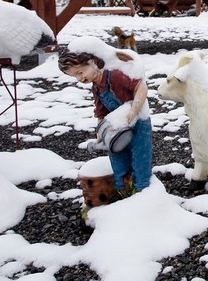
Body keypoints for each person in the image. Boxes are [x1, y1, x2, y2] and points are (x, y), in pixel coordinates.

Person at [59, 47, 153, 194]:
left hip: (138, 123)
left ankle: (142, 192)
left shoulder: (114, 75)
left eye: (80, 72)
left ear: (93, 62)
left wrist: (133, 111)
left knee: (140, 159)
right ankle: (123, 191)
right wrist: (101, 132)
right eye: (75, 76)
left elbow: (141, 87)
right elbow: (101, 113)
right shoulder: (97, 88)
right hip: (116, 128)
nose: (79, 78)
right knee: (118, 160)